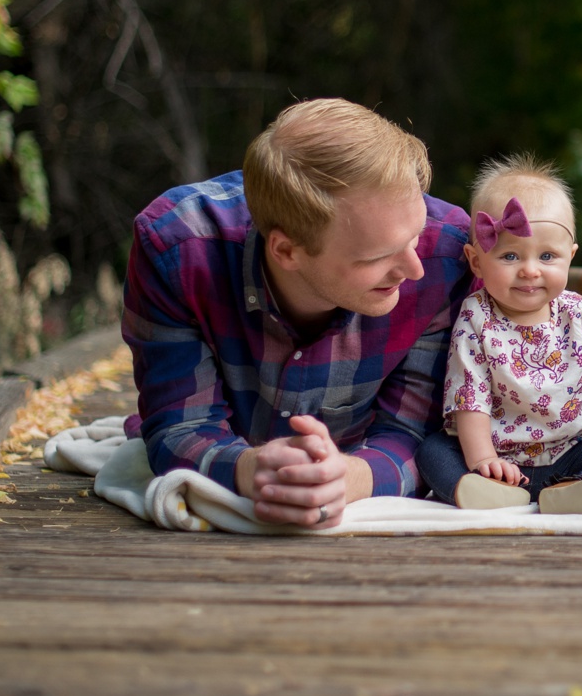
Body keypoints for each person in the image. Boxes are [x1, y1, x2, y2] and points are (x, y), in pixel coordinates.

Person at [121, 98, 474, 529]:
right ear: (286, 250)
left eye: (415, 236)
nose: (414, 268)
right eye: (377, 257)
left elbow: (417, 433)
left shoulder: (449, 255)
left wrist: (349, 479)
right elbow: (179, 427)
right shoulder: (177, 250)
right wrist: (252, 471)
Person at [416, 156, 582, 516]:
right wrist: (484, 460)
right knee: (432, 451)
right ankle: (484, 489)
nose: (530, 270)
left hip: (571, 448)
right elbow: (470, 395)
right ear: (476, 261)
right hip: (495, 453)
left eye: (547, 256)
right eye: (510, 255)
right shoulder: (477, 317)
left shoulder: (578, 313)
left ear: (570, 257)